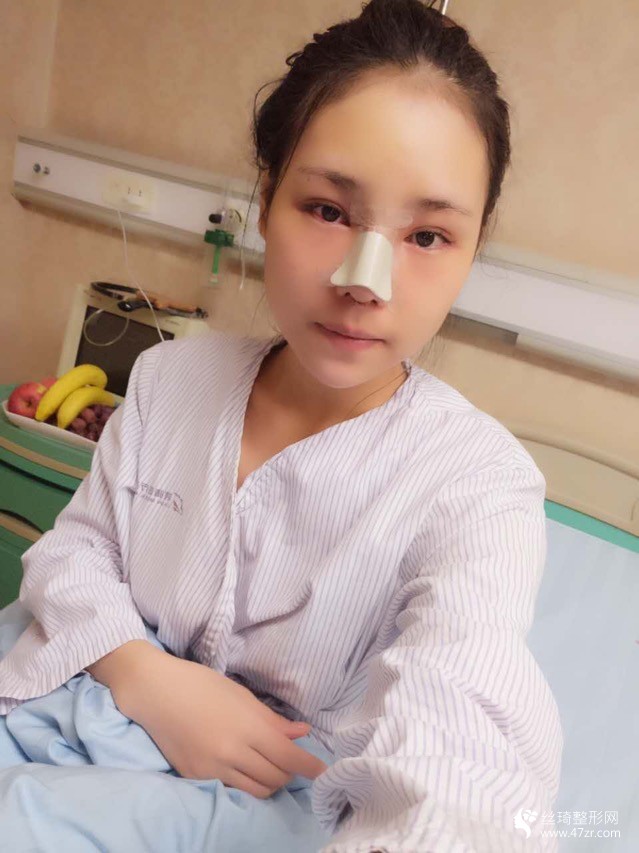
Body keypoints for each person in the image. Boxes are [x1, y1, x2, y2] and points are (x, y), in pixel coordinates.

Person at [0, 1, 563, 850]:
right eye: (328, 211)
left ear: (471, 251)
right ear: (266, 201)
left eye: (427, 235)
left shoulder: (478, 486)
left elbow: (464, 727)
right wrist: (144, 673)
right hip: (83, 698)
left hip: (271, 796)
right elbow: (76, 550)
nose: (365, 282)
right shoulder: (172, 379)